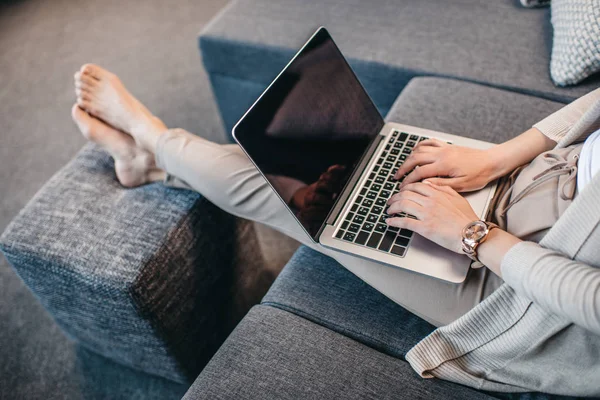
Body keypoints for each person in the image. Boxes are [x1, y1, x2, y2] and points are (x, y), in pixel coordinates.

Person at [71, 64, 600, 395]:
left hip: (524, 295)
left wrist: (473, 236)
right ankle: (152, 166)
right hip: (539, 176)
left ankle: (151, 137)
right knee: (362, 166)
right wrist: (499, 159)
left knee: (297, 200)